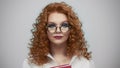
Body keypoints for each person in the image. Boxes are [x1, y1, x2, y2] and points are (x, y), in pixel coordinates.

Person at [23, 2, 95, 68]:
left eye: (64, 25)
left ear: (71, 29)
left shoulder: (85, 63)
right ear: (44, 30)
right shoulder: (31, 63)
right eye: (52, 26)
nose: (58, 31)